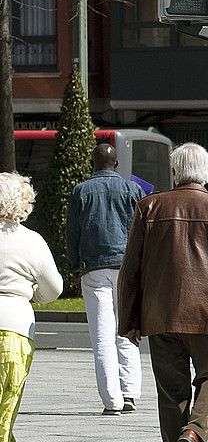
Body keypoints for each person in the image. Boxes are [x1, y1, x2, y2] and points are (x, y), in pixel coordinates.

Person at [117, 143, 208, 442]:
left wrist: (129, 318)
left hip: (160, 313)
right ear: (206, 173)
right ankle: (193, 433)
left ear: (175, 172)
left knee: (171, 392)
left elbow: (131, 267)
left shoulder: (150, 207)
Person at [66, 143, 146, 415]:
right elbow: (141, 231)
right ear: (116, 163)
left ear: (92, 162)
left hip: (94, 268)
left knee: (102, 336)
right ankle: (130, 393)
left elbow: (73, 234)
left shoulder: (81, 191)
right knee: (127, 331)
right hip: (126, 267)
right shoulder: (132, 190)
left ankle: (111, 401)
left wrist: (76, 267)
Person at [0, 173, 63, 442]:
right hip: (14, 325)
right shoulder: (31, 240)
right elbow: (53, 287)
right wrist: (32, 293)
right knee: (6, 397)